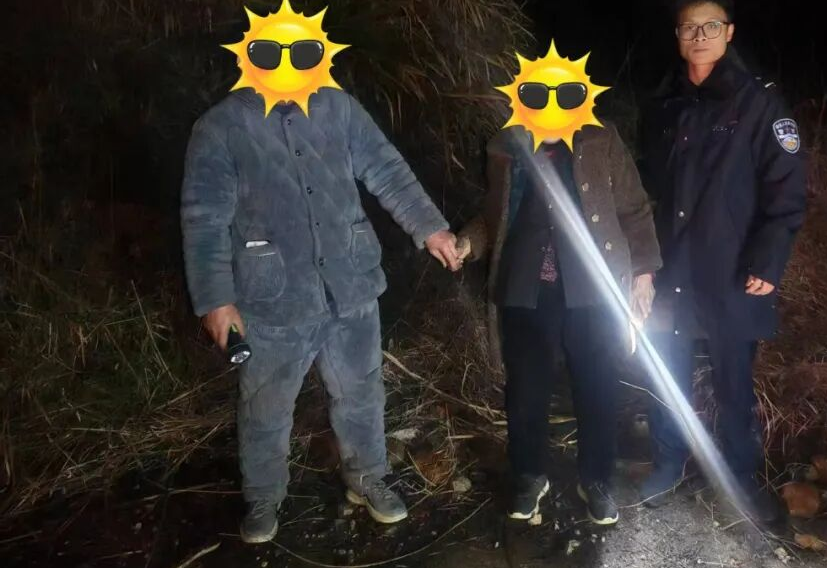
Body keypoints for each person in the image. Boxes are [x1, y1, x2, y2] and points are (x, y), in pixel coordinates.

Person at [180, 85, 461, 544]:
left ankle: (368, 476)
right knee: (265, 406)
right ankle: (264, 496)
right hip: (275, 299)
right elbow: (204, 219)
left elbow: (385, 167)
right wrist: (215, 300)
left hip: (350, 283)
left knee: (362, 393)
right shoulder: (221, 127)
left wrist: (430, 228)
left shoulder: (336, 105)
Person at [638, 0, 807, 521]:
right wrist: (640, 260)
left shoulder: (758, 103)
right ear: (678, 36)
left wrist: (768, 258)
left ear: (729, 33)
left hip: (731, 269)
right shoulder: (663, 102)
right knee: (665, 373)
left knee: (734, 382)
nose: (700, 36)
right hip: (668, 267)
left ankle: (739, 477)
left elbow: (786, 189)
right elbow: (642, 189)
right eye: (690, 28)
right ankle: (668, 463)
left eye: (711, 26)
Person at [457, 124, 661, 525]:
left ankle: (596, 479)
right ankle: (529, 475)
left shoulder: (600, 139)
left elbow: (634, 209)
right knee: (525, 389)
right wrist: (468, 242)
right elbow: (494, 216)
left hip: (594, 288)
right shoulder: (505, 144)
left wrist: (644, 274)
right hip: (526, 288)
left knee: (598, 386)